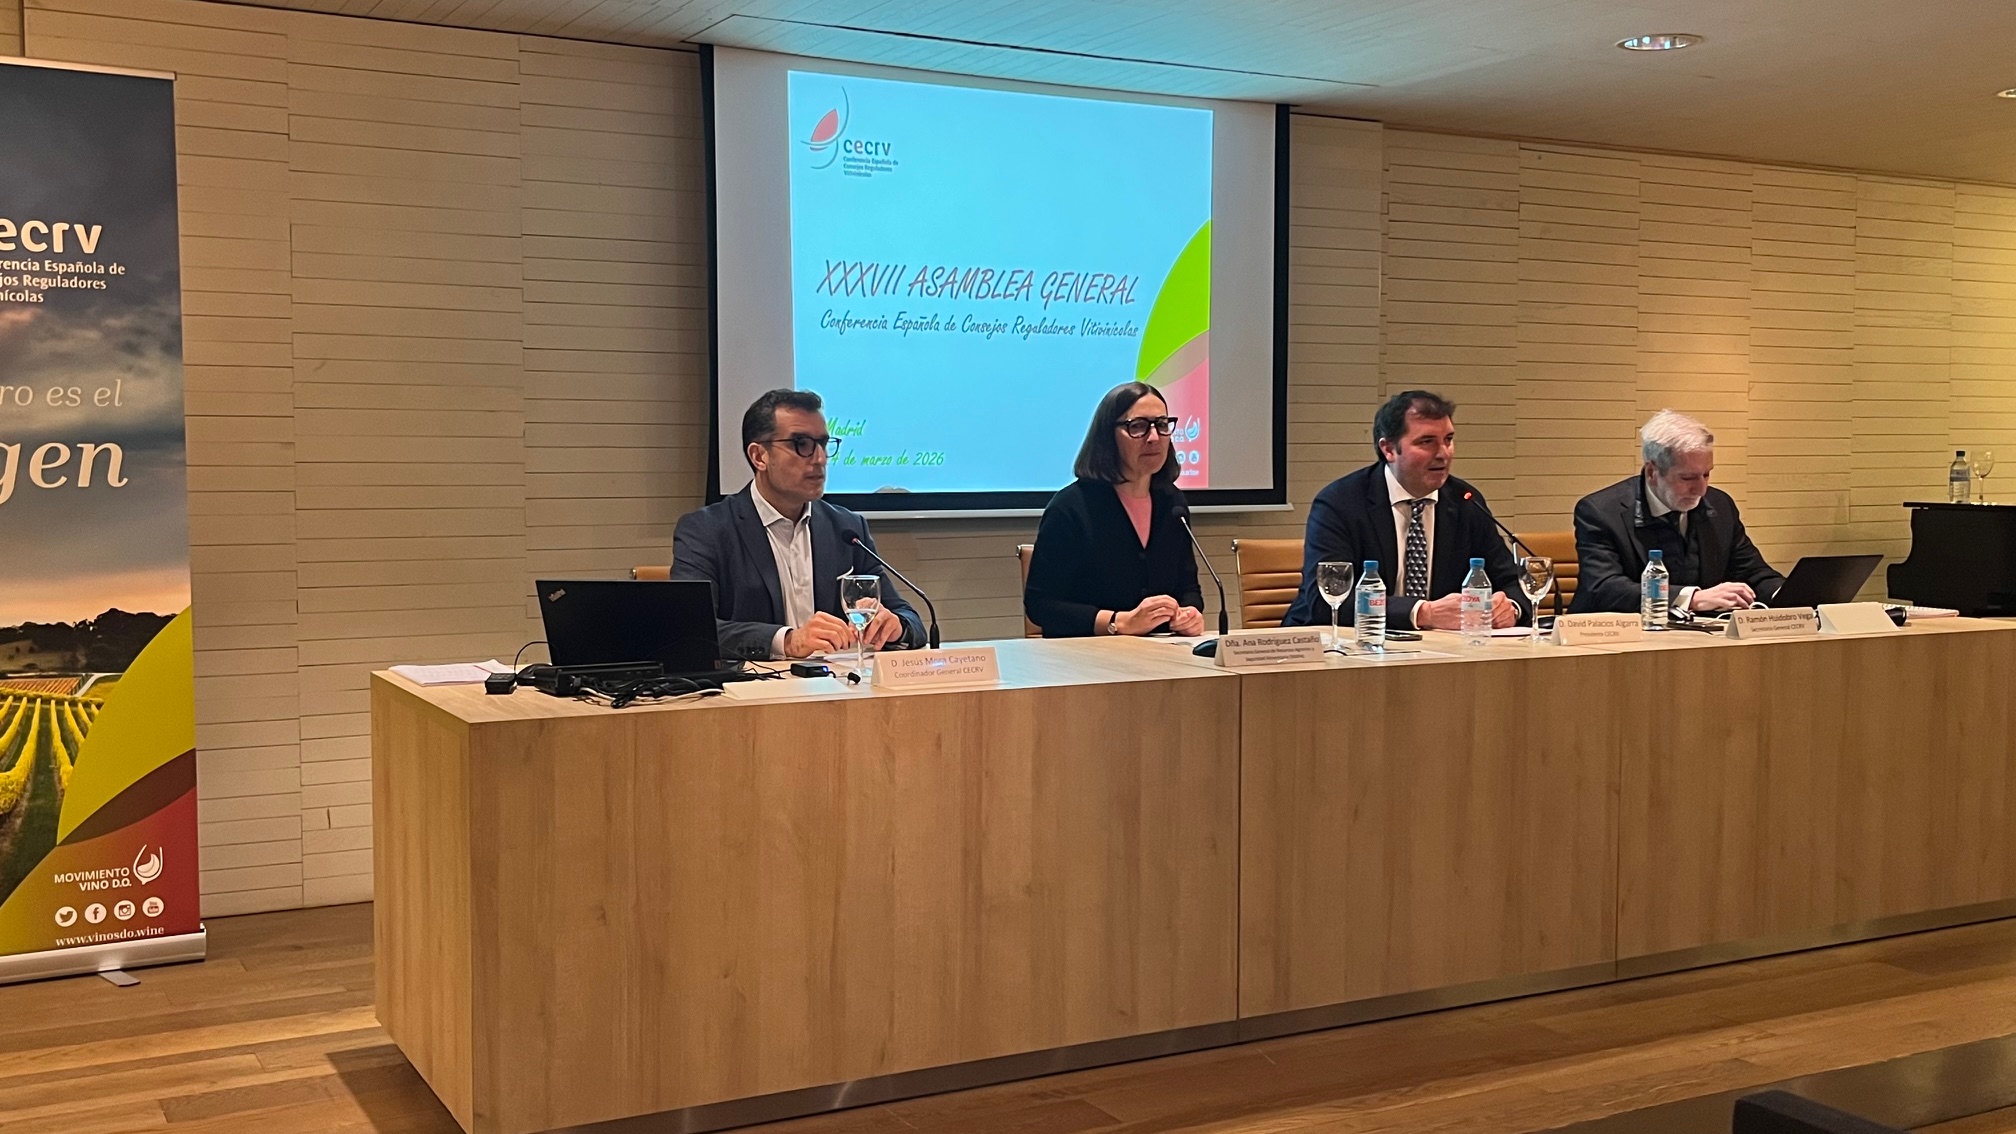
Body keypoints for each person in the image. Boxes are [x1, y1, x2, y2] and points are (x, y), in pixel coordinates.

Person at [672, 389, 926, 660]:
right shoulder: (706, 530)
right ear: (759, 456)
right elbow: (690, 630)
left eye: (823, 444)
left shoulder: (847, 528)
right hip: (755, 683)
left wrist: (896, 627)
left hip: (836, 681)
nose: (820, 458)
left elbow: (911, 621)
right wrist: (787, 640)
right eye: (802, 444)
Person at [1282, 390, 1526, 631]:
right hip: (1341, 642)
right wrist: (1422, 613)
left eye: (1448, 440)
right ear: (1388, 449)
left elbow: (1512, 582)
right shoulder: (1340, 503)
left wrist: (1510, 609)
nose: (1443, 453)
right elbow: (1328, 600)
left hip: (1440, 646)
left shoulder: (1465, 501)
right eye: (1427, 442)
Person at [1024, 381, 1207, 638]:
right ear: (1108, 437)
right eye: (1138, 426)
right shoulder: (1071, 508)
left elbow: (1188, 588)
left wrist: (1189, 614)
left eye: (1162, 425)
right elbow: (1041, 605)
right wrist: (1118, 622)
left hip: (1161, 650)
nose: (1154, 437)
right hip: (1085, 652)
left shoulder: (1172, 503)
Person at [1570, 409, 1784, 614]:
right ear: (1652, 472)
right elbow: (1605, 588)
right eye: (1688, 478)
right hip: (1619, 632)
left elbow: (1752, 572)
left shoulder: (1720, 505)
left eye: (1706, 475)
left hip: (1701, 632)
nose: (1701, 489)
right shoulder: (1601, 512)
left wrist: (1785, 594)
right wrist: (1692, 599)